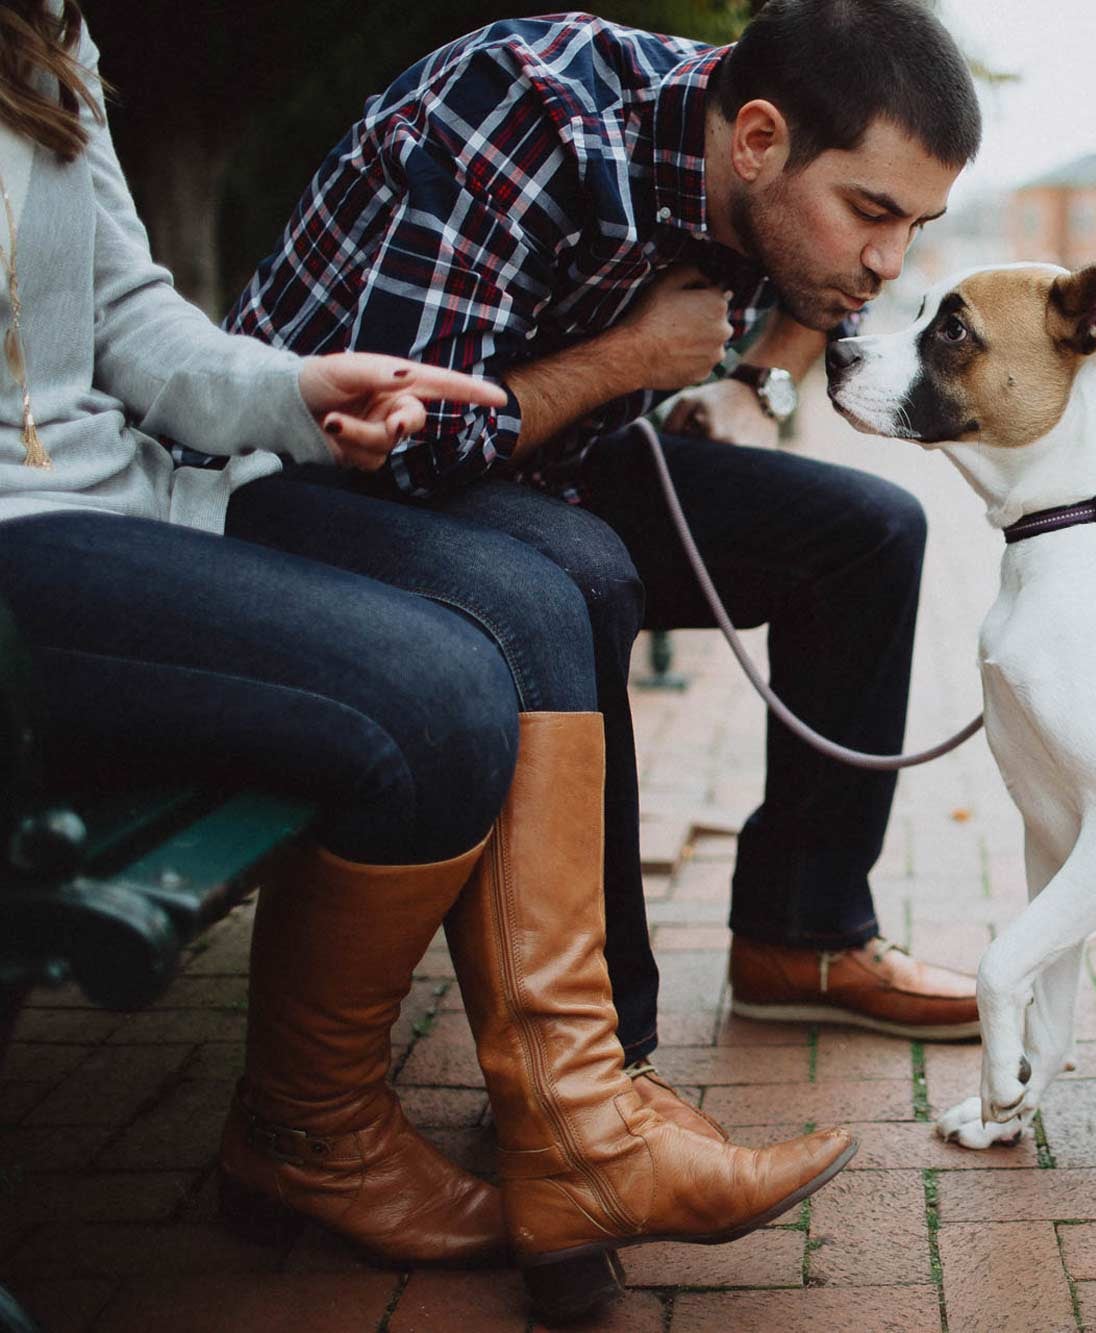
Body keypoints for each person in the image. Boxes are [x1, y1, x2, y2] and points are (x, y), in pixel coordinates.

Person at [0, 0, 852, 1307]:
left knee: (520, 616)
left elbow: (126, 313)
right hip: (23, 552)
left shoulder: (48, 29)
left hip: (129, 508)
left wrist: (293, 393)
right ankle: (354, 1133)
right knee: (451, 682)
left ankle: (575, 1127)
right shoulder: (525, 103)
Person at [226, 0, 988, 1067]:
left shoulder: (774, 172)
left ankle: (801, 940)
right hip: (313, 482)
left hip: (554, 457)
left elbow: (828, 298)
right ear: (758, 141)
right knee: (583, 579)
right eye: (871, 211)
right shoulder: (520, 115)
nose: (888, 261)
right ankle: (597, 1069)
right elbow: (403, 445)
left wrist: (750, 385)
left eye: (915, 225)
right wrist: (635, 359)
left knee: (872, 530)